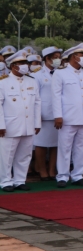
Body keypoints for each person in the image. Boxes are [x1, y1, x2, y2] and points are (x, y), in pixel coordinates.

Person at [52, 44, 83, 188]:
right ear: (73, 57)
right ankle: (62, 176)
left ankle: (78, 175)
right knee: (65, 147)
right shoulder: (61, 73)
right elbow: (56, 96)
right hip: (67, 117)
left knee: (81, 147)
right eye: (81, 55)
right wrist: (58, 116)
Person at [0, 49, 42, 192]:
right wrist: (0, 125)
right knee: (7, 155)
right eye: (22, 63)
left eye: (26, 62)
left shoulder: (31, 81)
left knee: (25, 155)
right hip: (10, 125)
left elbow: (37, 103)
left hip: (28, 124)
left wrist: (37, 123)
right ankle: (5, 181)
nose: (26, 65)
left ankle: (19, 180)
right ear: (13, 66)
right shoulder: (3, 82)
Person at [32, 47, 62, 181]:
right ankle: (42, 170)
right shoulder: (37, 75)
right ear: (47, 59)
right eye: (55, 57)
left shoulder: (61, 73)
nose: (58, 59)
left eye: (59, 56)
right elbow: (34, 97)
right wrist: (36, 115)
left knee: (56, 144)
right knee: (41, 144)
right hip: (43, 114)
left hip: (58, 114)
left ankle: (52, 170)